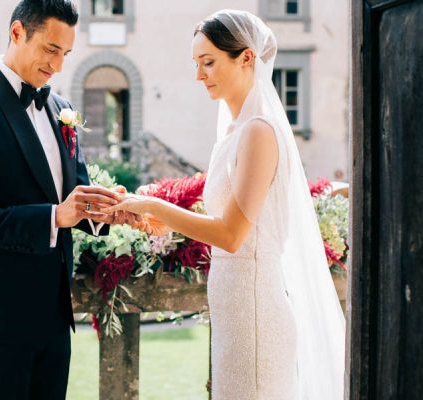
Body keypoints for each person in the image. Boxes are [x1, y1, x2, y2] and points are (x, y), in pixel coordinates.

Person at [104, 10, 345, 399]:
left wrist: (153, 204)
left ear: (246, 58)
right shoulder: (233, 134)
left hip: (255, 319)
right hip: (235, 316)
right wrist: (159, 222)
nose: (200, 75)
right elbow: (224, 219)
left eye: (209, 62)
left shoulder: (259, 132)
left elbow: (233, 235)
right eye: (197, 64)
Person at [0, 1, 135, 398]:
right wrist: (52, 217)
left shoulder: (62, 109)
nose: (57, 65)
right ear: (16, 33)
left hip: (55, 319)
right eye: (50, 49)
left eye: (65, 54)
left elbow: (71, 199)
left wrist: (108, 211)